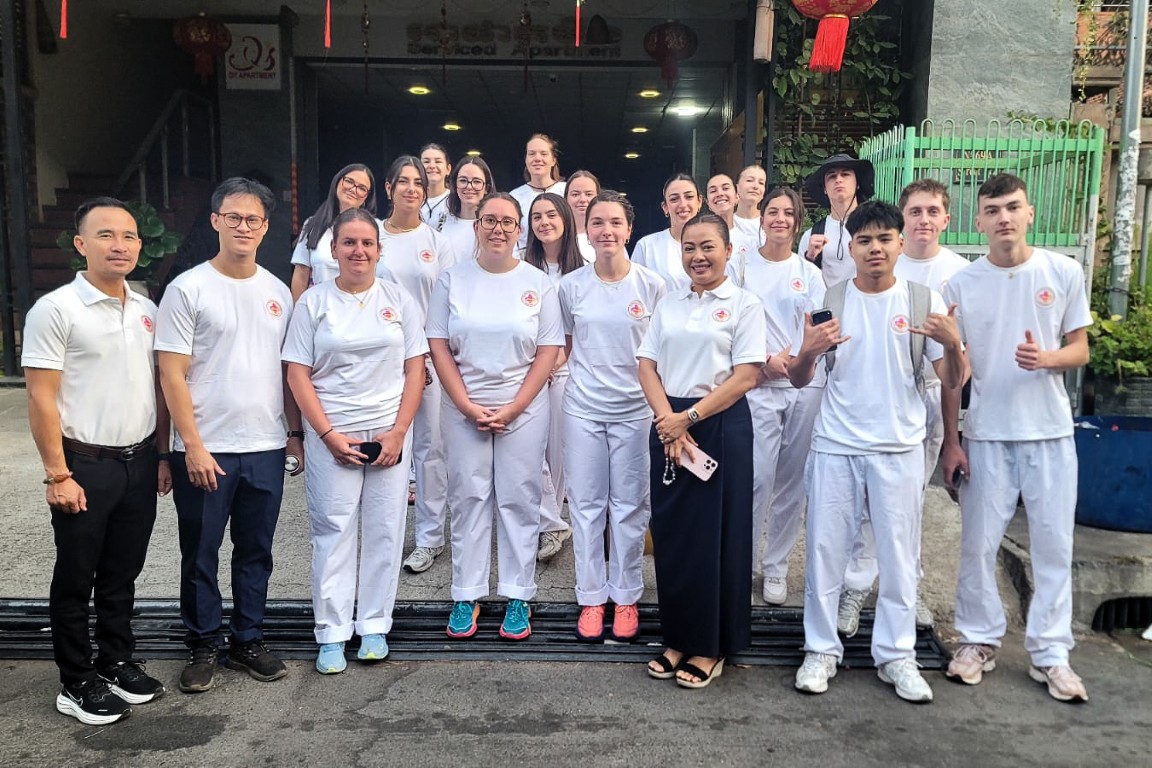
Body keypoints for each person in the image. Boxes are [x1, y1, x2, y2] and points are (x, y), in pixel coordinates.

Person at [789, 201, 964, 704]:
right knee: (825, 554)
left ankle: (896, 655)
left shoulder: (923, 300)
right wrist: (807, 350)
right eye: (864, 240)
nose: (875, 249)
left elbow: (953, 379)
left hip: (899, 448)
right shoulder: (831, 299)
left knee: (900, 558)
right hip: (836, 445)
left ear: (900, 243)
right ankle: (820, 649)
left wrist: (954, 344)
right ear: (851, 248)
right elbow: (801, 378)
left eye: (884, 239)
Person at [940, 173, 1091, 703]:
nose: (1003, 217)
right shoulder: (961, 284)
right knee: (978, 545)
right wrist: (953, 440)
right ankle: (977, 640)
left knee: (1054, 544)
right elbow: (954, 375)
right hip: (987, 434)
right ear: (978, 221)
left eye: (1012, 207)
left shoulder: (1062, 271)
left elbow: (1080, 349)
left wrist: (1046, 358)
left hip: (1050, 433)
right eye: (992, 210)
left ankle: (1051, 654)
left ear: (1029, 213)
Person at [23, 197, 170, 725]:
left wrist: (161, 456)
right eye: (105, 235)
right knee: (75, 576)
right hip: (83, 465)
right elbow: (40, 396)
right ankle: (76, 680)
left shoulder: (147, 309)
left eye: (128, 236)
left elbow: (158, 387)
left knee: (122, 572)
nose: (119, 245)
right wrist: (57, 474)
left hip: (138, 461)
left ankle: (116, 660)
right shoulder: (56, 309)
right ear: (81, 244)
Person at [157, 177, 303, 693]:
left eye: (253, 219)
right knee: (200, 551)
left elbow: (287, 369)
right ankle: (202, 644)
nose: (243, 226)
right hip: (206, 447)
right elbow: (171, 373)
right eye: (234, 217)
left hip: (264, 445)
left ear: (265, 227)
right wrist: (189, 445)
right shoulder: (187, 288)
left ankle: (248, 639)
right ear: (216, 220)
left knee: (256, 550)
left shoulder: (277, 292)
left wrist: (293, 434)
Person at [283, 207, 428, 674]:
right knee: (333, 531)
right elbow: (297, 373)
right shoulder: (313, 302)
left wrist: (399, 431)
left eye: (367, 243)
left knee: (386, 529)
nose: (358, 251)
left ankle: (374, 625)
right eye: (349, 242)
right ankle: (331, 632)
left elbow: (415, 369)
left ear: (379, 250)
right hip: (333, 431)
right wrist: (326, 434)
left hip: (388, 432)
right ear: (334, 249)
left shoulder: (398, 299)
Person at [836, 178, 972, 634]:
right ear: (902, 223)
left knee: (906, 505)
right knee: (868, 507)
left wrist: (952, 436)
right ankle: (856, 586)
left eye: (933, 211)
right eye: (915, 211)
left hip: (930, 393)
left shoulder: (957, 274)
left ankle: (906, 588)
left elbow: (954, 365)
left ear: (946, 218)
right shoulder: (877, 263)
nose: (924, 220)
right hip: (878, 398)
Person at [427, 193, 564, 641]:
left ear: (519, 230)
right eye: (489, 220)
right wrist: (466, 405)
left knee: (518, 497)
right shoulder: (452, 279)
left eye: (507, 222)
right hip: (463, 404)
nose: (498, 229)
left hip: (523, 406)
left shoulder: (537, 282)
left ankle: (519, 593)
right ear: (476, 227)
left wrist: (515, 406)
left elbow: (549, 350)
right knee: (468, 496)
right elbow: (438, 344)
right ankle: (466, 593)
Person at [638, 213, 766, 689]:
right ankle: (678, 636)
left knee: (716, 538)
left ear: (729, 250)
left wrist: (686, 419)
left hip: (719, 425)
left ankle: (710, 645)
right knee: (674, 536)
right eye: (689, 247)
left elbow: (746, 376)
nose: (698, 256)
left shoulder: (744, 304)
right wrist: (668, 421)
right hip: (668, 423)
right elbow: (646, 365)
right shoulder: (669, 303)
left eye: (708, 246)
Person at [560, 191, 666, 642]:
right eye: (597, 222)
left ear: (629, 229)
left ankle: (625, 595)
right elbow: (567, 346)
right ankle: (590, 597)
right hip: (583, 409)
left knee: (630, 505)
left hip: (635, 411)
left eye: (615, 222)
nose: (606, 231)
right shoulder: (570, 287)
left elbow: (660, 352)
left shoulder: (652, 285)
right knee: (586, 506)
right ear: (587, 230)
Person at [738, 187, 825, 606]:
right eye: (773, 211)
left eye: (788, 213)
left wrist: (798, 358)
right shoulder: (741, 266)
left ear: (797, 221)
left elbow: (820, 328)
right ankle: (744, 561)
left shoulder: (809, 273)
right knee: (756, 478)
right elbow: (730, 322)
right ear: (762, 218)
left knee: (793, 481)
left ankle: (776, 566)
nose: (780, 219)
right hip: (758, 384)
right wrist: (764, 361)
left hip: (804, 384)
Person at [372, 156, 458, 576]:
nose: (411, 189)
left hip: (427, 360)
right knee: (383, 445)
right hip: (377, 359)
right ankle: (383, 535)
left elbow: (447, 307)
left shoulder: (437, 243)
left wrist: (425, 356)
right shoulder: (369, 235)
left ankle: (429, 537)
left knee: (429, 450)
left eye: (418, 183)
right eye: (402, 181)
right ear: (388, 188)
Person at [523, 192, 584, 562]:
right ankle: (550, 522)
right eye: (536, 217)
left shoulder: (583, 269)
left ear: (565, 219)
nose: (544, 222)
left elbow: (576, 329)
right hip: (524, 370)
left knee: (556, 452)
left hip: (565, 369)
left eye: (551, 215)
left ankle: (549, 525)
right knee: (531, 450)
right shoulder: (520, 266)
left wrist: (554, 364)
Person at [290, 164, 378, 302]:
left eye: (362, 188)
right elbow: (301, 276)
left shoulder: (375, 229)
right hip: (319, 308)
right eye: (349, 181)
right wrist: (299, 310)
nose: (353, 189)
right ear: (337, 181)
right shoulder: (313, 224)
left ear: (367, 197)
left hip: (362, 307)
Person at [798, 154, 875, 287]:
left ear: (857, 184)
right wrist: (810, 257)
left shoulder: (879, 228)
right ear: (824, 189)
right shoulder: (811, 235)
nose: (838, 180)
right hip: (827, 300)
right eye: (832, 176)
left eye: (845, 174)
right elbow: (800, 283)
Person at [631, 174, 703, 294]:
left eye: (689, 197)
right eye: (674, 199)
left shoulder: (716, 244)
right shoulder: (647, 246)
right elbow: (635, 292)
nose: (683, 204)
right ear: (665, 207)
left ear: (699, 201)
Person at [509, 133, 566, 251]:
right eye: (532, 154)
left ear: (553, 160)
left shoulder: (568, 191)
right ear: (526, 160)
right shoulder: (514, 197)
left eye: (544, 154)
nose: (537, 158)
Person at [705, 172, 759, 282]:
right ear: (708, 203)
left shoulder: (751, 243)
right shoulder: (699, 240)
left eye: (725, 188)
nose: (719, 193)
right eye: (713, 191)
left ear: (737, 197)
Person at [440, 155, 494, 260]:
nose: (469, 187)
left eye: (477, 181)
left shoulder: (496, 226)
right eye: (463, 180)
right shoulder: (442, 223)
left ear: (486, 188)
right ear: (455, 185)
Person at [565, 169, 601, 263]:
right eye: (575, 194)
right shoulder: (555, 236)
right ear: (566, 198)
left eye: (588, 194)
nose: (582, 199)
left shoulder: (608, 235)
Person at [419, 143, 453, 230]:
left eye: (438, 161)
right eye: (426, 162)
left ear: (448, 169)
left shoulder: (455, 201)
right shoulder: (412, 199)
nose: (432, 166)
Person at [733, 164, 767, 243]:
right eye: (749, 180)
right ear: (737, 187)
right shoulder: (725, 223)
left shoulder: (770, 222)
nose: (756, 186)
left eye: (761, 183)